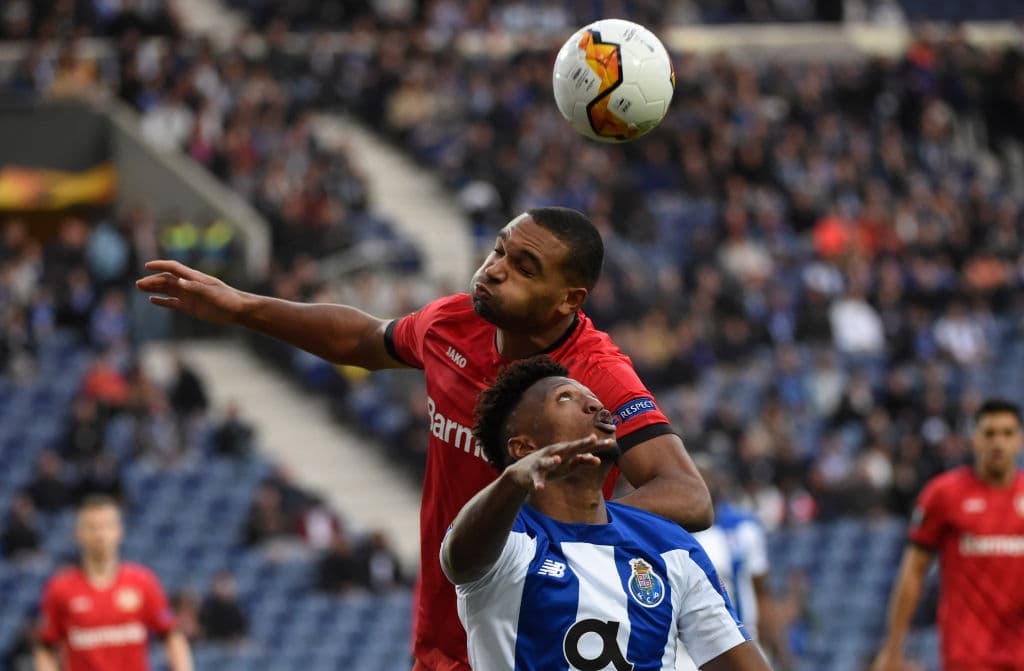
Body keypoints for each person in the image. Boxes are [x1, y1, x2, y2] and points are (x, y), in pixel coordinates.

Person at [137, 207, 712, 670]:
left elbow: (687, 495)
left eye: (525, 266)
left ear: (570, 300)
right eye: (498, 250)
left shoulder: (597, 376)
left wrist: (562, 536)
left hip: (545, 638)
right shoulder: (452, 324)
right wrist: (241, 306)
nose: (494, 269)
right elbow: (362, 340)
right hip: (444, 637)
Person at [441, 356, 770, 670]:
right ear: (524, 448)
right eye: (566, 398)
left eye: (594, 398)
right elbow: (461, 561)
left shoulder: (670, 546)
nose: (596, 405)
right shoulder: (511, 540)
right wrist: (513, 481)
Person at [871, 398, 1024, 671]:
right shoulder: (944, 495)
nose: (998, 443)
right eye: (989, 433)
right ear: (974, 439)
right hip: (966, 657)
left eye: (1007, 433)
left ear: (1019, 440)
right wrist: (893, 648)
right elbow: (912, 572)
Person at [33, 494, 193, 671]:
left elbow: (172, 636)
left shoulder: (143, 583)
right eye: (92, 527)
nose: (100, 534)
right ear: (78, 534)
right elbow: (45, 648)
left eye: (106, 526)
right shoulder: (60, 588)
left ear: (119, 530)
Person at [677, 461, 773, 670]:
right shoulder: (672, 534)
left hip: (743, 640)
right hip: (690, 651)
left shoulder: (745, 526)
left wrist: (772, 644)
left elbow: (761, 592)